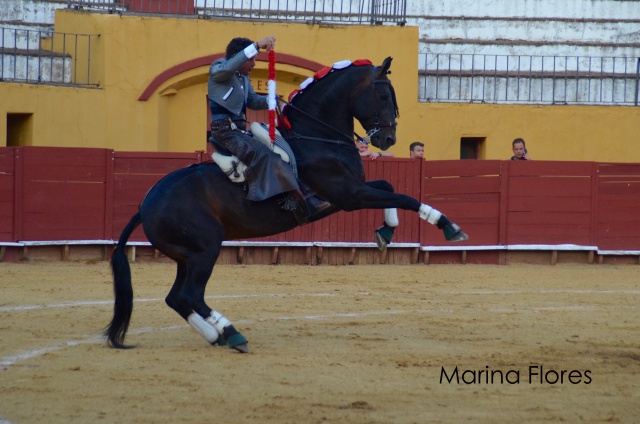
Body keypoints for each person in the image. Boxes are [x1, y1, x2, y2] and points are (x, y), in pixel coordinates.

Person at [208, 36, 329, 218]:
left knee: (280, 149)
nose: (254, 63)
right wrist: (256, 46)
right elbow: (226, 69)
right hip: (224, 130)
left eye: (254, 58)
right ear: (238, 56)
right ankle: (293, 199)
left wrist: (271, 100)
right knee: (264, 155)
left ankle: (298, 193)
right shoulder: (219, 67)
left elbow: (253, 101)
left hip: (238, 130)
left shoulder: (242, 78)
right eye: (251, 58)